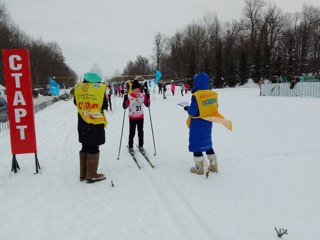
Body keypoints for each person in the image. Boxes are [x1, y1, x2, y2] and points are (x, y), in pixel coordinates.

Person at [184, 72, 232, 175]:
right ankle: (213, 165)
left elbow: (193, 111)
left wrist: (187, 108)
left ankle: (199, 168)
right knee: (207, 142)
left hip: (197, 123)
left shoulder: (196, 95)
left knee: (196, 144)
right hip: (208, 122)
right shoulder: (213, 94)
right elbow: (215, 107)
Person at [74, 63, 107, 183]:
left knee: (85, 145)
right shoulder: (99, 89)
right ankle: (92, 174)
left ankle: (83, 174)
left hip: (82, 121)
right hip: (95, 121)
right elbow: (104, 105)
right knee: (94, 146)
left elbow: (75, 102)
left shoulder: (78, 87)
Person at [122, 79, 150, 154]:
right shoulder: (129, 96)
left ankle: (141, 145)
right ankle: (130, 146)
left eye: (138, 89)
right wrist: (125, 99)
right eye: (135, 89)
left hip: (140, 117)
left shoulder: (142, 96)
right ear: (132, 89)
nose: (136, 91)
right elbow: (125, 106)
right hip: (132, 117)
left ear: (139, 89)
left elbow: (147, 104)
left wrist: (148, 96)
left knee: (140, 132)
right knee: (132, 132)